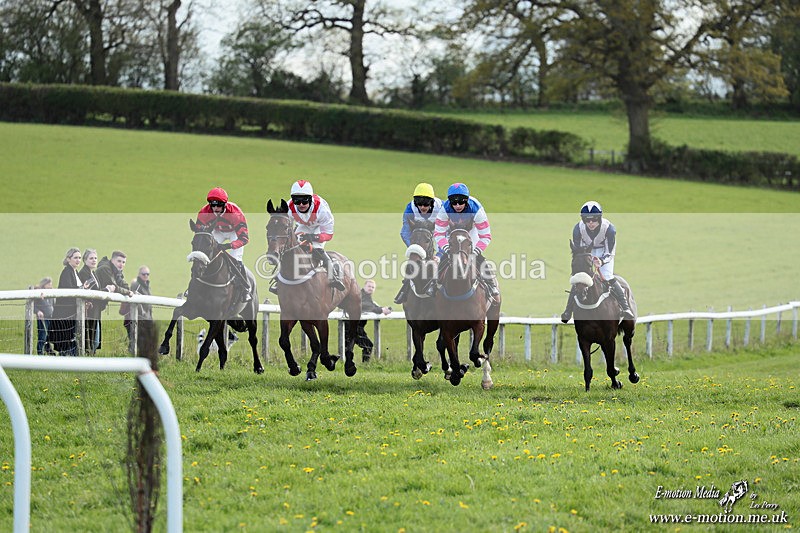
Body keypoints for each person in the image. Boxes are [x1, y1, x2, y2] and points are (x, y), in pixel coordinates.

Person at [561, 200, 635, 323]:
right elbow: (578, 250)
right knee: (579, 278)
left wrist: (601, 261)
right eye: (587, 220)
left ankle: (625, 307)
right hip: (586, 252)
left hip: (604, 252)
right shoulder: (578, 229)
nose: (590, 223)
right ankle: (568, 311)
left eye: (594, 220)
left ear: (599, 218)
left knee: (607, 276)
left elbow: (609, 252)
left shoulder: (609, 230)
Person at [431, 182, 499, 298]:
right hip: (452, 233)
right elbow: (438, 233)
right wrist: (447, 248)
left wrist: (475, 251)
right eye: (454, 202)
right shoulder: (445, 209)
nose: (457, 206)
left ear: (466, 200)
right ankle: (432, 284)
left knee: (478, 258)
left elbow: (486, 236)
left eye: (461, 202)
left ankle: (491, 285)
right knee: (444, 258)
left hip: (471, 233)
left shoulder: (477, 209)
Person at [284, 179, 345, 291]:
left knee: (317, 248)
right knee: (289, 247)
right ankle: (279, 278)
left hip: (319, 228)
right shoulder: (288, 207)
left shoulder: (322, 210)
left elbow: (328, 235)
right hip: (302, 225)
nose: (301, 204)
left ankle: (335, 276)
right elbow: (286, 227)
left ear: (311, 198)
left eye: (305, 200)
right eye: (297, 200)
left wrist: (312, 237)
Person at [196, 186, 252, 303]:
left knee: (236, 259)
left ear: (225, 204)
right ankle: (196, 283)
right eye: (213, 205)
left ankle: (245, 288)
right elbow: (200, 233)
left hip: (234, 233)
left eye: (219, 205)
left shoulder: (235, 213)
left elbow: (244, 238)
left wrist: (229, 246)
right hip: (217, 231)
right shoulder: (204, 212)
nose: (215, 208)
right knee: (204, 255)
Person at [394, 182, 444, 304]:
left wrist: (439, 255)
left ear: (431, 202)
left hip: (440, 233)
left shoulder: (442, 208)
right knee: (413, 261)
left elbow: (446, 233)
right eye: (419, 204)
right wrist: (415, 249)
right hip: (420, 236)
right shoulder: (410, 208)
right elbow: (405, 232)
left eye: (425, 204)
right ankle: (405, 288)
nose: (422, 207)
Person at [51, 248, 90, 356]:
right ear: (68, 259)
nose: (78, 260)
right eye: (75, 258)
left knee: (71, 337)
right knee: (65, 338)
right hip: (65, 312)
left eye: (79, 258)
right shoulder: (66, 272)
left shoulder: (75, 272)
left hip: (72, 312)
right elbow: (69, 291)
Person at [346, 279, 391, 362]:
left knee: (348, 347)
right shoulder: (359, 295)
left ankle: (347, 364)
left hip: (355, 327)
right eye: (369, 286)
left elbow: (372, 306)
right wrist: (381, 310)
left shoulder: (367, 297)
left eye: (373, 287)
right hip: (353, 327)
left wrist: (383, 309)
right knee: (368, 346)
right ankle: (365, 366)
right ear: (364, 286)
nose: (371, 288)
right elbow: (365, 306)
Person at [78, 248, 109, 353]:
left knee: (94, 334)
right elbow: (93, 292)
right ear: (85, 260)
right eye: (91, 258)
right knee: (90, 334)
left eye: (95, 258)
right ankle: (88, 353)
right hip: (89, 310)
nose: (94, 260)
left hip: (96, 310)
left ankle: (91, 353)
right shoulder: (84, 273)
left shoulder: (93, 273)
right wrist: (107, 290)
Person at [125, 266, 153, 353]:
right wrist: (143, 313)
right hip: (137, 318)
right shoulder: (136, 285)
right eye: (143, 274)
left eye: (147, 274)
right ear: (139, 274)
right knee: (136, 340)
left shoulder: (146, 285)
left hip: (146, 318)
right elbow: (135, 301)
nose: (145, 276)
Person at [32, 277, 55, 355]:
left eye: (51, 284)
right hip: (43, 317)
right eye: (48, 284)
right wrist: (38, 311)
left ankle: (48, 349)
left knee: (49, 334)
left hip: (50, 317)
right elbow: (33, 306)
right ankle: (40, 351)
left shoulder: (51, 293)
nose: (50, 286)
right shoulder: (38, 292)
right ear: (44, 284)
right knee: (43, 335)